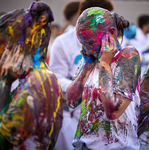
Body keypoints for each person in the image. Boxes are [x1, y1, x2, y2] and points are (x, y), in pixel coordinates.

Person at [67, 7, 141, 149]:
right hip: (84, 145)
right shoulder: (89, 59)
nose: (86, 49)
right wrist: (86, 67)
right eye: (82, 44)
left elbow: (113, 111)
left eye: (89, 43)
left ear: (111, 34)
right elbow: (71, 101)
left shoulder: (128, 56)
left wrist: (104, 63)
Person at [51, 1, 114, 150]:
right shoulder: (62, 42)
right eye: (103, 20)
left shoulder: (112, 42)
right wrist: (84, 85)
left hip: (106, 114)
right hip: (73, 114)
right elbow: (56, 78)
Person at [0, 2, 63, 149]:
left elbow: (5, 139)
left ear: (20, 46)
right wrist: (7, 83)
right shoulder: (25, 77)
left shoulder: (39, 81)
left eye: (3, 48)